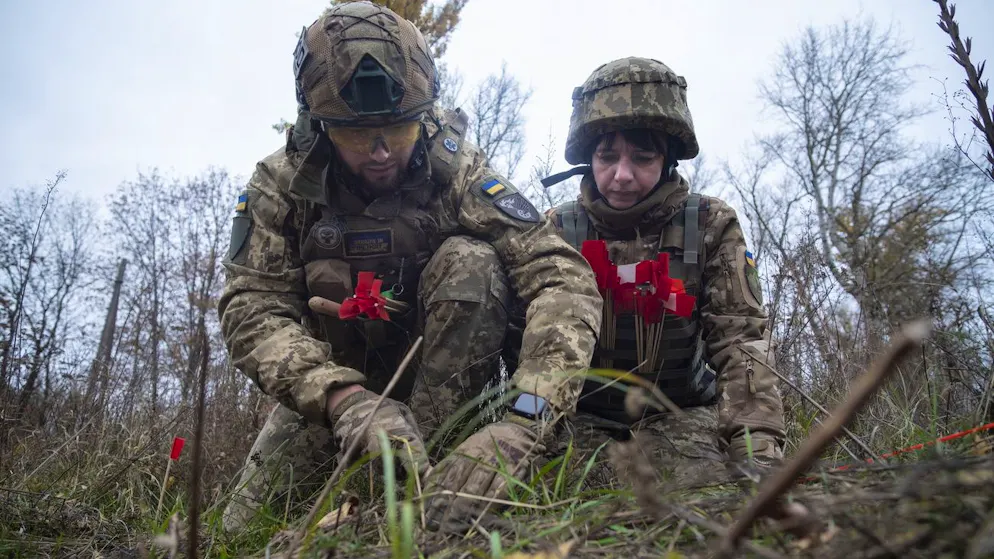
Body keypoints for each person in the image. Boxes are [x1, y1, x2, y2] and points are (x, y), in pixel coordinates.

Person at [218, 2, 601, 534]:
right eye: (356, 135)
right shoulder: (282, 185)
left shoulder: (459, 172)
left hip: (438, 389)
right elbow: (251, 307)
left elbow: (562, 278)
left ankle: (438, 472)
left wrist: (528, 419)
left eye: (397, 131)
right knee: (238, 531)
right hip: (333, 392)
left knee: (473, 262)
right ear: (320, 126)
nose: (379, 153)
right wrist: (339, 397)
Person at [542, 57, 786, 488]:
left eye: (642, 157)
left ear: (668, 160)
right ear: (588, 158)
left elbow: (740, 340)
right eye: (607, 156)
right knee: (563, 494)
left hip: (682, 415)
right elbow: (526, 345)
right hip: (580, 420)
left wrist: (758, 450)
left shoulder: (710, 224)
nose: (622, 175)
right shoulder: (557, 229)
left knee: (696, 501)